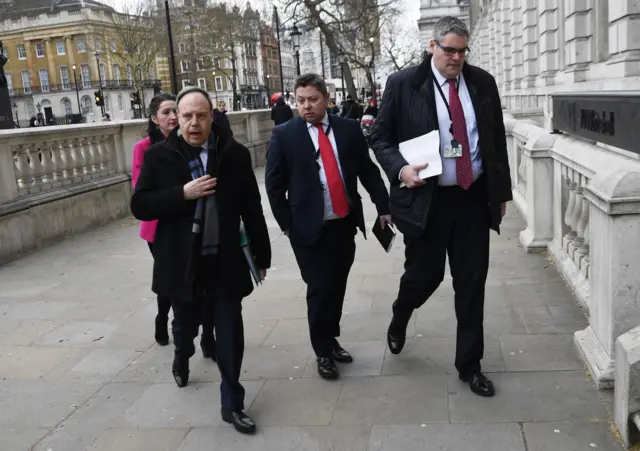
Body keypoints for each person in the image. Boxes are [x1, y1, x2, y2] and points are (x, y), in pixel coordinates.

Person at [371, 16, 512, 398]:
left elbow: (495, 142)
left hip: (471, 198)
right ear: (432, 46)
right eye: (449, 50)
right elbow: (380, 137)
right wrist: (400, 169)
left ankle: (470, 366)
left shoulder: (482, 82)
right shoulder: (404, 84)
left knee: (471, 284)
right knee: (424, 276)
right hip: (426, 202)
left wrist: (500, 195)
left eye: (462, 51)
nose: (456, 58)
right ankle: (401, 314)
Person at [131, 86, 271, 434]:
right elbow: (141, 205)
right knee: (185, 326)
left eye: (201, 115)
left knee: (229, 332)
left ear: (212, 117)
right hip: (182, 262)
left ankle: (232, 403)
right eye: (187, 116)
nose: (194, 123)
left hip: (223, 260)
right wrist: (182, 194)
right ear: (176, 118)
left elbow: (251, 207)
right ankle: (182, 355)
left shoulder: (234, 155)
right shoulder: (159, 156)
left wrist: (261, 253)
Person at [266, 74, 391, 380]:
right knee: (319, 287)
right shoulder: (285, 134)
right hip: (307, 228)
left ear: (326, 98)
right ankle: (322, 350)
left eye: (312, 99)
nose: (306, 106)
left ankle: (331, 338)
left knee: (336, 285)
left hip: (343, 223)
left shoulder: (347, 129)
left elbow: (367, 171)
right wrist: (287, 225)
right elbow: (273, 185)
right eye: (300, 100)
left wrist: (384, 207)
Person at [132, 93, 178, 347]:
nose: (173, 117)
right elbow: (140, 192)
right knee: (167, 273)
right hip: (158, 225)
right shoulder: (144, 148)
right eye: (166, 112)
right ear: (154, 118)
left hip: (187, 219)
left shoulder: (191, 140)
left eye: (176, 111)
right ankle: (163, 317)